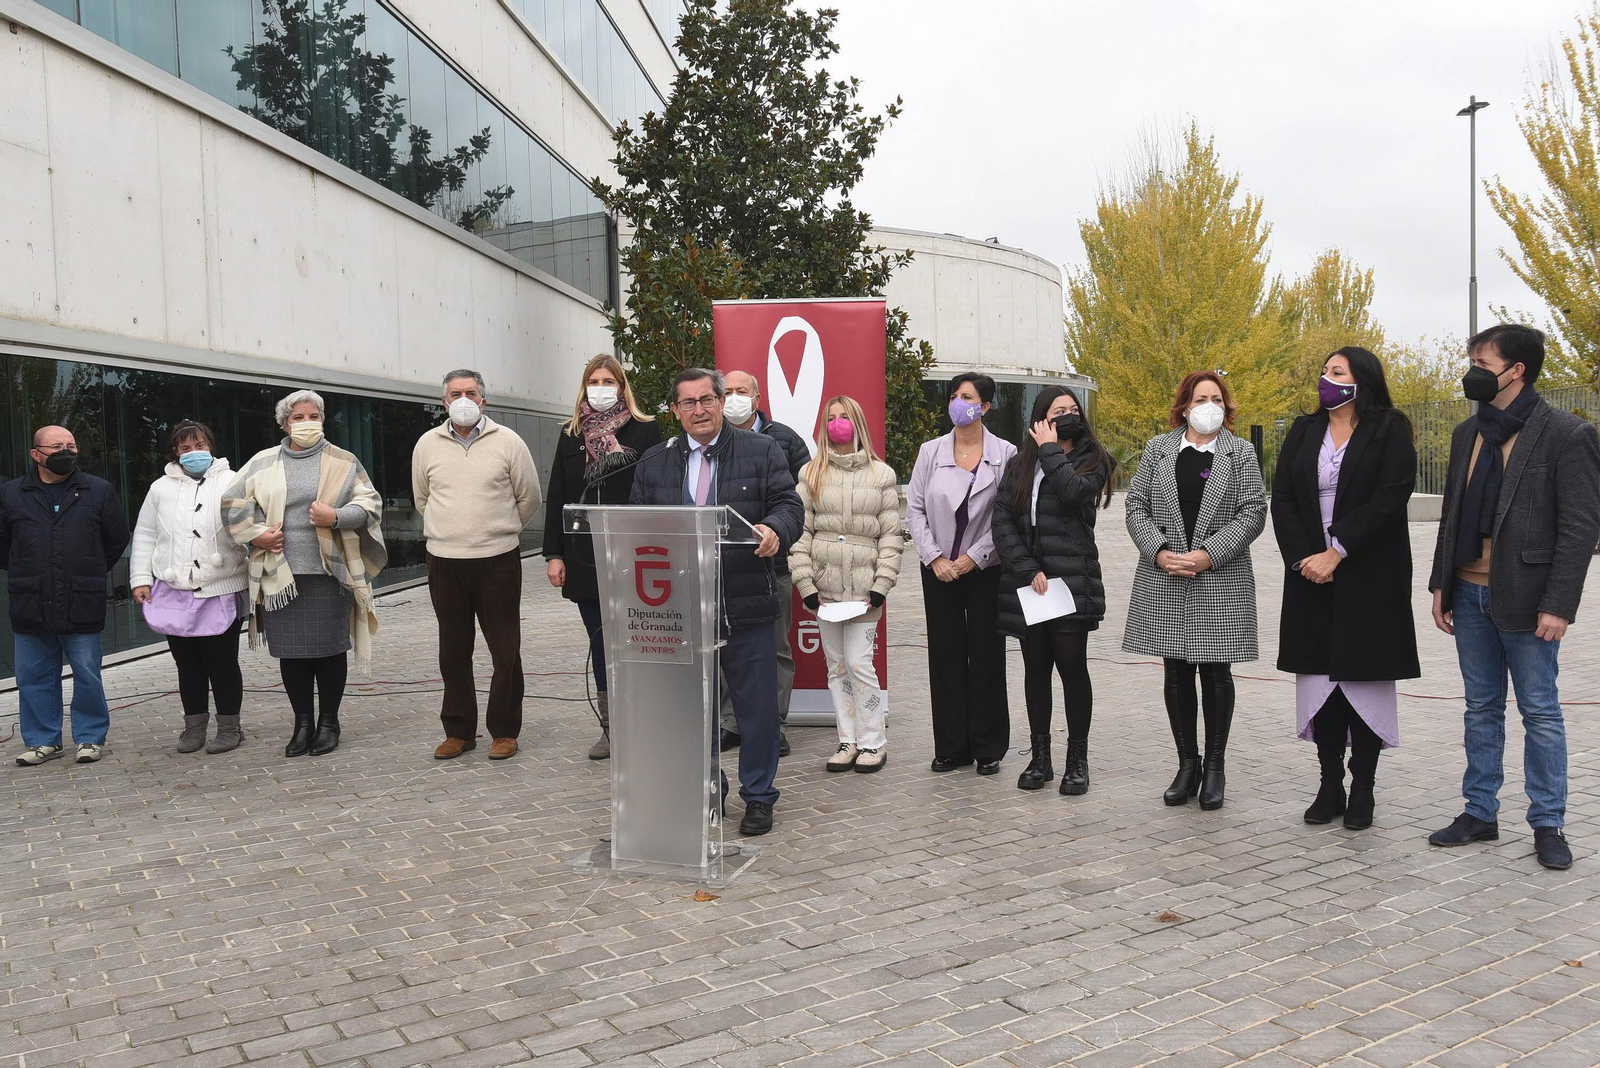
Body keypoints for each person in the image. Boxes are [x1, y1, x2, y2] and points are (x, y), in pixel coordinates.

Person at [1426, 324, 1600, 871]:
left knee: (1540, 712)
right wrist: (1441, 582)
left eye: (1483, 361)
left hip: (1529, 599)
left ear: (1516, 369)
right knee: (1480, 709)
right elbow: (1452, 513)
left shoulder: (1567, 434)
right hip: (1469, 591)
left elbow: (1580, 529)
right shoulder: (1466, 433)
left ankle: (1548, 823)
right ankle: (1480, 812)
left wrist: (1559, 605)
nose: (1473, 370)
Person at [629, 368, 803, 837]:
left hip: (745, 604)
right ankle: (709, 788)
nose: (699, 410)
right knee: (691, 710)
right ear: (675, 410)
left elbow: (790, 507)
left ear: (723, 401)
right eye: (688, 403)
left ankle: (759, 796)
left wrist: (775, 530)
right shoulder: (653, 462)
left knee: (756, 711)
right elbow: (634, 529)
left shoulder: (761, 451)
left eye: (707, 399)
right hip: (679, 610)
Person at [1272, 349, 1419, 831]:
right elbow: (1285, 499)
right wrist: (1306, 558)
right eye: (1325, 371)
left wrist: (1339, 550)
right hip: (1311, 572)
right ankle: (1329, 783)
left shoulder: (1390, 428)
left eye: (1337, 372)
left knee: (1362, 680)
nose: (1325, 379)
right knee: (1321, 682)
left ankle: (1364, 790)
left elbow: (1390, 497)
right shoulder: (1303, 430)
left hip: (1368, 572)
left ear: (1363, 380)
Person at [1123, 371, 1267, 810]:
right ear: (1184, 405)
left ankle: (1216, 768)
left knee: (1216, 674)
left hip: (1219, 577)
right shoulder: (1157, 449)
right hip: (1165, 577)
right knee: (1176, 671)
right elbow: (1135, 506)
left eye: (1217, 399)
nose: (1210, 405)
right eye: (1201, 398)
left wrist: (1209, 553)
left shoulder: (1240, 452)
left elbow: (1254, 512)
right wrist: (1160, 552)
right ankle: (1188, 764)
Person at [224, 390, 386, 759]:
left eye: (314, 415)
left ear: (323, 420)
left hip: (329, 572)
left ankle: (329, 722)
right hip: (279, 574)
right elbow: (232, 503)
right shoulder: (263, 462)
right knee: (292, 654)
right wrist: (256, 533)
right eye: (298, 417)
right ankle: (302, 724)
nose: (306, 422)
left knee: (329, 652)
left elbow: (370, 503)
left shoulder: (343, 461)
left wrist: (338, 517)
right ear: (284, 424)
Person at [992, 387, 1115, 795]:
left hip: (1071, 582)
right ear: (1041, 417)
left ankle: (1077, 761)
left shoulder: (1093, 460)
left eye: (1073, 410)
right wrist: (1026, 570)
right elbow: (1002, 520)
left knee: (1072, 668)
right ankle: (1039, 757)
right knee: (1035, 669)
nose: (1067, 416)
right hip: (1031, 586)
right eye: (1058, 410)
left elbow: (1075, 493)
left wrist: (1050, 449)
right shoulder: (1018, 465)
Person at [414, 370, 541, 762]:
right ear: (444, 402)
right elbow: (423, 498)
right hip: (445, 562)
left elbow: (530, 498)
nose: (463, 398)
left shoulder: (509, 442)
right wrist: (451, 532)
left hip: (497, 561)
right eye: (455, 393)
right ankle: (459, 731)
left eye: (471, 392)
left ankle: (504, 730)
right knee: (452, 652)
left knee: (505, 651)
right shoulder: (427, 444)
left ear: (484, 400)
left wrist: (498, 532)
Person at [543, 355, 659, 760]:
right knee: (601, 642)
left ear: (622, 385)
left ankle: (643, 723)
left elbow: (656, 491)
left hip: (634, 555)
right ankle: (611, 730)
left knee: (636, 639)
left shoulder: (646, 430)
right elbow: (557, 493)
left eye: (609, 379)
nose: (601, 386)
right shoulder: (570, 433)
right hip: (582, 555)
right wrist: (553, 553)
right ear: (584, 385)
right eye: (594, 380)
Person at [905, 373, 1017, 775]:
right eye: (954, 396)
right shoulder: (930, 451)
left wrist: (975, 555)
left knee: (987, 654)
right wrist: (935, 557)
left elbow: (1008, 514)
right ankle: (951, 746)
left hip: (985, 567)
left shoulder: (1005, 453)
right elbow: (914, 510)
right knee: (946, 653)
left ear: (985, 406)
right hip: (938, 569)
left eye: (967, 396)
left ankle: (988, 747)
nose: (958, 402)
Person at [787, 396, 902, 772]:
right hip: (826, 591)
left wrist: (881, 584)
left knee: (859, 663)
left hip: (866, 591)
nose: (838, 424)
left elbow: (890, 535)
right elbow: (798, 534)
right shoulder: (811, 474)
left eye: (844, 417)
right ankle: (847, 740)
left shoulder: (881, 475)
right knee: (836, 666)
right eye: (831, 418)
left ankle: (873, 742)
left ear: (857, 423)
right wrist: (805, 584)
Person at [4, 426, 130, 767]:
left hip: (81, 598)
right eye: (57, 446)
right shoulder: (11, 493)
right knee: (33, 676)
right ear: (36, 454)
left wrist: (86, 569)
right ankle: (43, 740)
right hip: (31, 599)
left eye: (71, 446)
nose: (66, 452)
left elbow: (115, 539)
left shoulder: (98, 490)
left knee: (87, 672)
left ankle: (90, 737)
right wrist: (30, 570)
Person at [130, 421, 251, 755]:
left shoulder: (233, 480)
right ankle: (193, 729)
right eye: (185, 448)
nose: (193, 452)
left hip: (220, 588)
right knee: (187, 666)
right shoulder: (159, 489)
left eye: (200, 445)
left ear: (211, 446)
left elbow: (250, 527)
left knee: (222, 663)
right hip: (173, 590)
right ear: (176, 452)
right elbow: (145, 534)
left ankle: (230, 728)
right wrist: (140, 578)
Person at [719, 369, 810, 757]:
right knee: (723, 648)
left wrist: (776, 532)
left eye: (742, 391)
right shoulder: (710, 441)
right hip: (722, 570)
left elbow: (799, 502)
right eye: (728, 392)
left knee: (775, 649)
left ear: (757, 398)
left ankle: (775, 724)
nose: (734, 397)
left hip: (774, 568)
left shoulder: (785, 440)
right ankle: (729, 723)